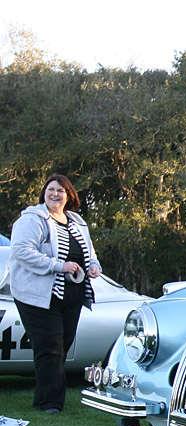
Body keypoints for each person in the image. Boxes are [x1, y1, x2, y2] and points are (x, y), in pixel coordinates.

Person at [10, 174, 102, 413]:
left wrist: (94, 266)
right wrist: (58, 265)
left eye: (61, 190)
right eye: (51, 189)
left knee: (63, 345)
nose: (55, 194)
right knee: (49, 346)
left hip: (72, 294)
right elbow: (21, 251)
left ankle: (42, 398)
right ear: (44, 193)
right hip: (39, 295)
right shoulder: (33, 219)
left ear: (69, 195)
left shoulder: (76, 222)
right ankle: (52, 404)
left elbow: (89, 252)